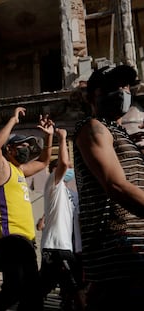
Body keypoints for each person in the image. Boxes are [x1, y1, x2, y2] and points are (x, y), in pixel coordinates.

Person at [73, 64, 144, 310]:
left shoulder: (124, 136)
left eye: (125, 86)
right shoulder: (92, 128)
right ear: (93, 95)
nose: (122, 91)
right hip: (117, 259)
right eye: (113, 86)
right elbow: (116, 185)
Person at [0, 106, 54, 311]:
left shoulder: (20, 171)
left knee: (33, 296)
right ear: (10, 149)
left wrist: (48, 138)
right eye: (21, 145)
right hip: (10, 239)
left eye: (28, 147)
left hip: (26, 241)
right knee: (15, 290)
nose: (26, 150)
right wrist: (13, 120)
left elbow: (45, 161)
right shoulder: (2, 169)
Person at [39, 128, 84, 310]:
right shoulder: (53, 185)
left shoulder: (72, 193)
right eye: (67, 168)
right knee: (75, 291)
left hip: (68, 249)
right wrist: (62, 138)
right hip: (56, 247)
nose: (69, 169)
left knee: (60, 291)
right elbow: (64, 163)